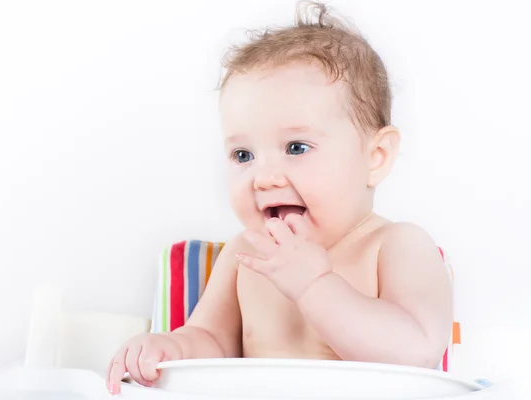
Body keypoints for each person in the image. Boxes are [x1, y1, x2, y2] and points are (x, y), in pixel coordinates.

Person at [107, 1, 453, 394]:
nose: (264, 178)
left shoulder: (396, 246)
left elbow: (418, 351)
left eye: (296, 147)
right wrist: (168, 347)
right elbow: (210, 340)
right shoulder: (244, 256)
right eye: (243, 155)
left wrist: (316, 286)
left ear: (376, 157)